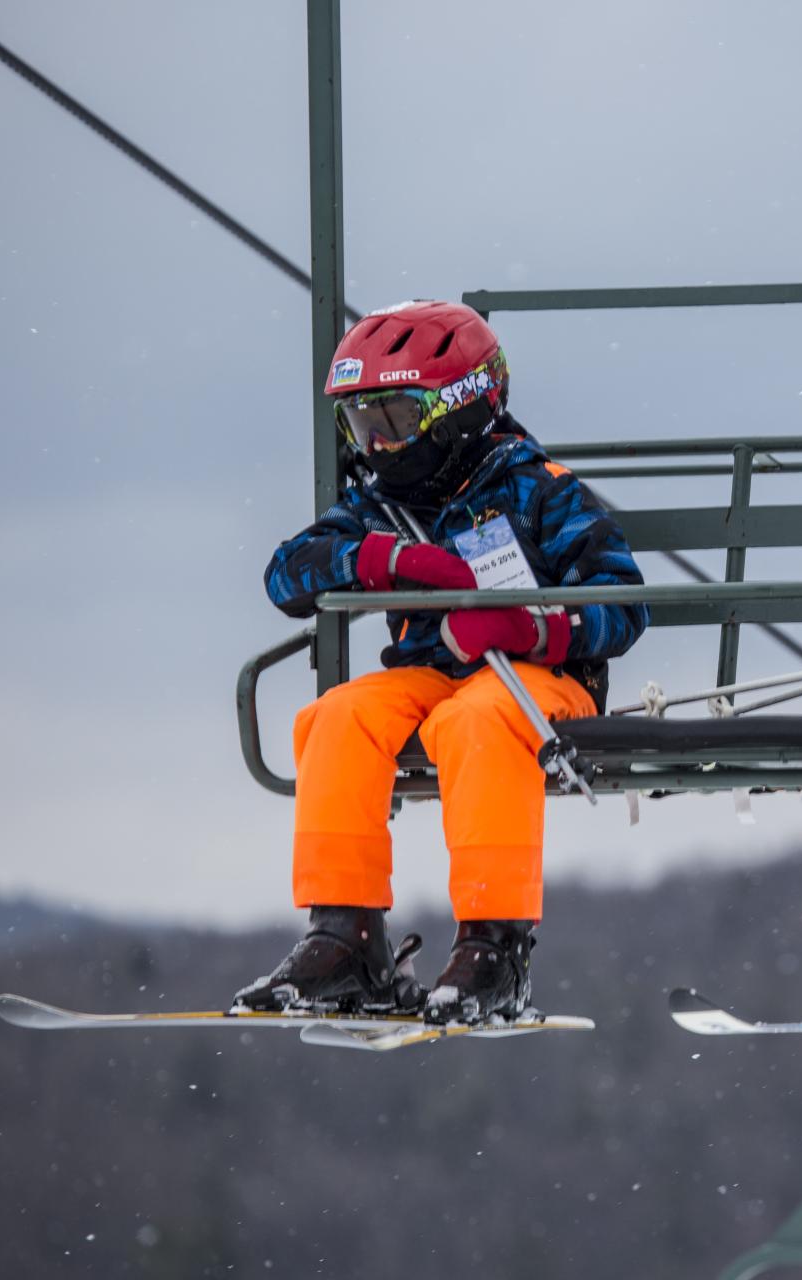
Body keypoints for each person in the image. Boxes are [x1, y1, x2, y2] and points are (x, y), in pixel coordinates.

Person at [236, 300, 649, 1024]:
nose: (379, 446)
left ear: (461, 409)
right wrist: (377, 558)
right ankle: (345, 934)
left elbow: (622, 601)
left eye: (395, 420)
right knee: (339, 716)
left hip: (540, 681)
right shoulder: (383, 507)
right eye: (360, 424)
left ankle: (495, 946)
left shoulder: (538, 489)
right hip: (432, 675)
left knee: (476, 721)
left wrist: (536, 628)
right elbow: (285, 575)